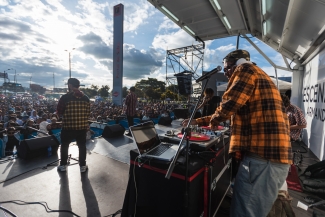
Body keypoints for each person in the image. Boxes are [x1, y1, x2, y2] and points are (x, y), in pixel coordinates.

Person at [182, 49, 292, 217]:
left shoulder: (245, 69)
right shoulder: (259, 74)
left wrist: (213, 122)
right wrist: (199, 121)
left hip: (263, 158)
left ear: (237, 63)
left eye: (226, 68)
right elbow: (232, 109)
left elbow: (229, 104)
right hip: (268, 157)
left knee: (245, 211)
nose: (226, 73)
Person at [57, 78, 90, 173]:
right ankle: (82, 166)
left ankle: (63, 165)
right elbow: (88, 113)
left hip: (68, 127)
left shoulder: (65, 97)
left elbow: (60, 111)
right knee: (82, 146)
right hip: (82, 127)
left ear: (70, 85)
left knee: (64, 146)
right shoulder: (86, 98)